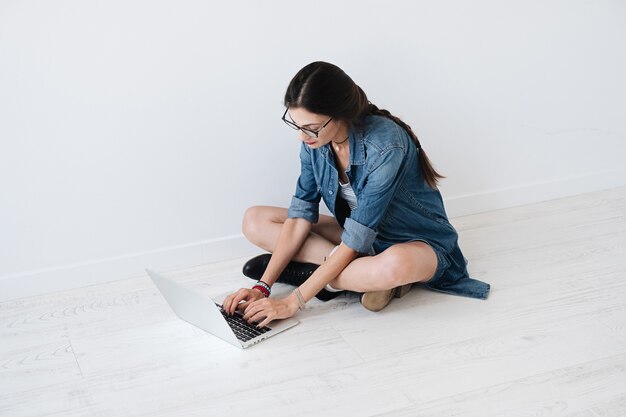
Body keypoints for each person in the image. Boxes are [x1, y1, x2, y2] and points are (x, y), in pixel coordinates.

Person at [223, 61, 490, 327]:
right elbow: (300, 216)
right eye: (297, 125)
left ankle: (319, 274)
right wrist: (262, 287)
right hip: (358, 238)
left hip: (413, 244)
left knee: (395, 265)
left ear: (338, 113)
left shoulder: (386, 145)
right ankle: (350, 279)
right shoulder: (315, 141)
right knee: (255, 220)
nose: (302, 137)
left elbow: (354, 241)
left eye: (311, 127)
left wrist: (292, 301)